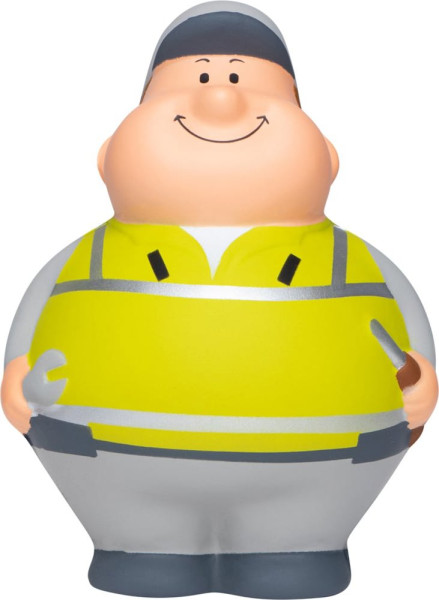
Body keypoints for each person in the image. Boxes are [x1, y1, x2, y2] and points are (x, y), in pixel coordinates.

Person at [1, 2, 437, 597]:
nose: (221, 97)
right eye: (198, 77)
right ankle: (141, 549)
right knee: (142, 547)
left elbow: (407, 319)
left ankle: (296, 550)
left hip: (323, 478)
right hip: (112, 474)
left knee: (294, 547)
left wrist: (421, 377)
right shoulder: (86, 257)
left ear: (328, 157)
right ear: (108, 156)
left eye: (242, 79)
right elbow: (33, 316)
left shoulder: (354, 259)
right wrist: (17, 372)